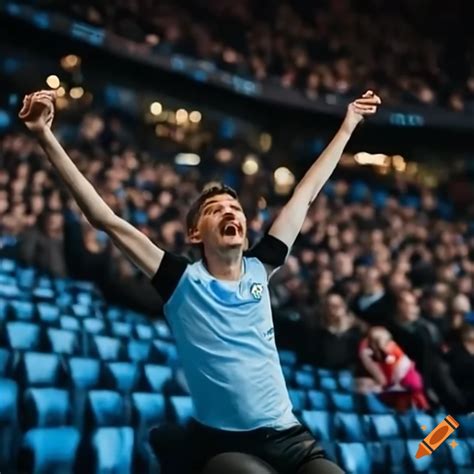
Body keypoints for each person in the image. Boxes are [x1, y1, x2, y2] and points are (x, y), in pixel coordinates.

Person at [19, 88, 381, 474]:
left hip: (289, 437)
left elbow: (306, 194)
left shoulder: (262, 265)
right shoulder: (179, 279)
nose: (230, 211)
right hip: (226, 445)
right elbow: (104, 219)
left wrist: (348, 125)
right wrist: (44, 135)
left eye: (235, 208)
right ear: (196, 233)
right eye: (215, 209)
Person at [357, 326, 429, 411]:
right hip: (401, 391)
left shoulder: (391, 352)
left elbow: (386, 380)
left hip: (408, 387)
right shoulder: (371, 352)